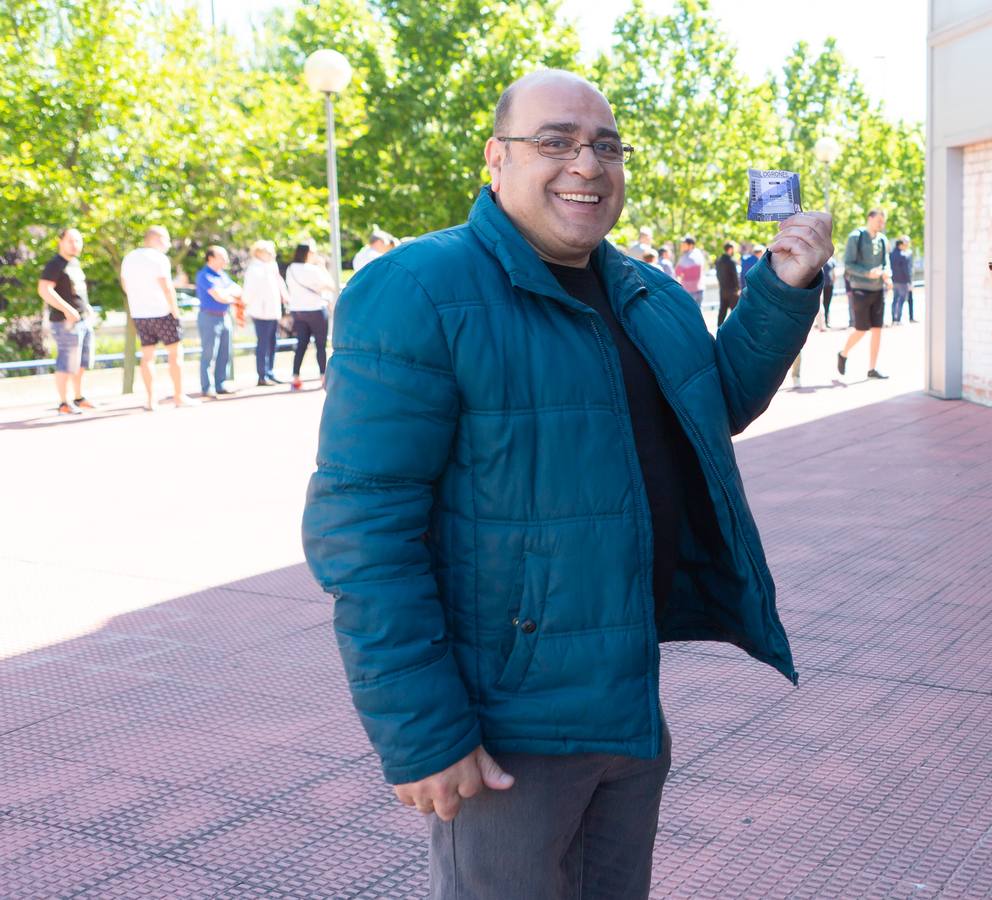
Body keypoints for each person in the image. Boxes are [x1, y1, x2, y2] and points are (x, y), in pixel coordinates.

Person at [300, 69, 833, 900]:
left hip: (627, 704)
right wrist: (423, 733)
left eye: (606, 146)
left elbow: (708, 404)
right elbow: (361, 530)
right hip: (505, 730)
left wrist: (782, 289)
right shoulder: (416, 290)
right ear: (497, 158)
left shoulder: (650, 293)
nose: (586, 164)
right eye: (555, 142)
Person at [121, 226, 190, 409]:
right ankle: (178, 396)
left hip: (140, 314)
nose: (168, 244)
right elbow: (166, 286)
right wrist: (175, 310)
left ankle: (151, 400)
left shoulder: (129, 258)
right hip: (162, 312)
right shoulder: (158, 259)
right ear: (156, 239)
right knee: (175, 354)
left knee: (147, 356)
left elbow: (125, 285)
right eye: (166, 239)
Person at [37, 228, 95, 415]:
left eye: (78, 240)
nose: (75, 244)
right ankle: (64, 402)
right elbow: (44, 289)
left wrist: (87, 309)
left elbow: (77, 292)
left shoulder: (75, 263)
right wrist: (66, 309)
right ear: (60, 242)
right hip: (65, 323)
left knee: (81, 362)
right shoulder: (55, 264)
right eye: (70, 240)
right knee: (66, 362)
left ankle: (78, 397)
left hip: (83, 321)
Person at [836, 209, 889, 379]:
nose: (882, 224)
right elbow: (848, 265)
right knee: (861, 330)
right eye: (879, 221)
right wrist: (868, 273)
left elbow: (886, 264)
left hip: (878, 290)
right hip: (860, 289)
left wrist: (888, 275)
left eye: (883, 221)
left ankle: (872, 369)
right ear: (870, 219)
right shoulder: (855, 237)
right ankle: (843, 353)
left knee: (877, 330)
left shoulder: (882, 239)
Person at [284, 244, 335, 390]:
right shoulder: (313, 269)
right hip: (316, 309)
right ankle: (323, 376)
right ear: (307, 253)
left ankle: (295, 377)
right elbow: (330, 285)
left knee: (301, 344)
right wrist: (323, 267)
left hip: (298, 310)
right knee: (320, 345)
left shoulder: (290, 268)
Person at [194, 246, 243, 398]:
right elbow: (219, 296)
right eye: (222, 257)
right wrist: (228, 294)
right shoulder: (204, 275)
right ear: (211, 258)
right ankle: (207, 387)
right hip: (209, 317)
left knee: (225, 352)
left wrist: (227, 293)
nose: (226, 260)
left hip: (224, 316)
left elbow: (237, 290)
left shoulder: (222, 275)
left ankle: (221, 383)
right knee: (209, 353)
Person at [243, 240, 288, 385]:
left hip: (272, 311)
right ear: (258, 253)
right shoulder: (254, 269)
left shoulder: (271, 267)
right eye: (268, 252)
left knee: (272, 342)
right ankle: (262, 375)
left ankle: (270, 371)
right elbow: (249, 292)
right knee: (263, 343)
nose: (271, 255)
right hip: (260, 312)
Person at [714, 240, 741, 326]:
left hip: (722, 290)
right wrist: (738, 288)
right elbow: (735, 276)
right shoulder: (731, 261)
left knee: (722, 310)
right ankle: (735, 329)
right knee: (735, 312)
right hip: (732, 290)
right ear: (730, 249)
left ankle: (719, 328)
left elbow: (717, 275)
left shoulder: (719, 261)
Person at [889, 237, 914, 324]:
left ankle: (893, 319)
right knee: (901, 300)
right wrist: (909, 282)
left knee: (895, 299)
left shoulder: (891, 254)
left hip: (894, 280)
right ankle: (898, 319)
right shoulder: (903, 256)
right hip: (903, 281)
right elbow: (906, 270)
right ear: (900, 245)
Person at [673, 236, 704, 303]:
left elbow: (676, 272)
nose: (682, 246)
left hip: (689, 291)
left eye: (684, 244)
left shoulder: (686, 257)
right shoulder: (699, 253)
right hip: (700, 289)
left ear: (690, 245)